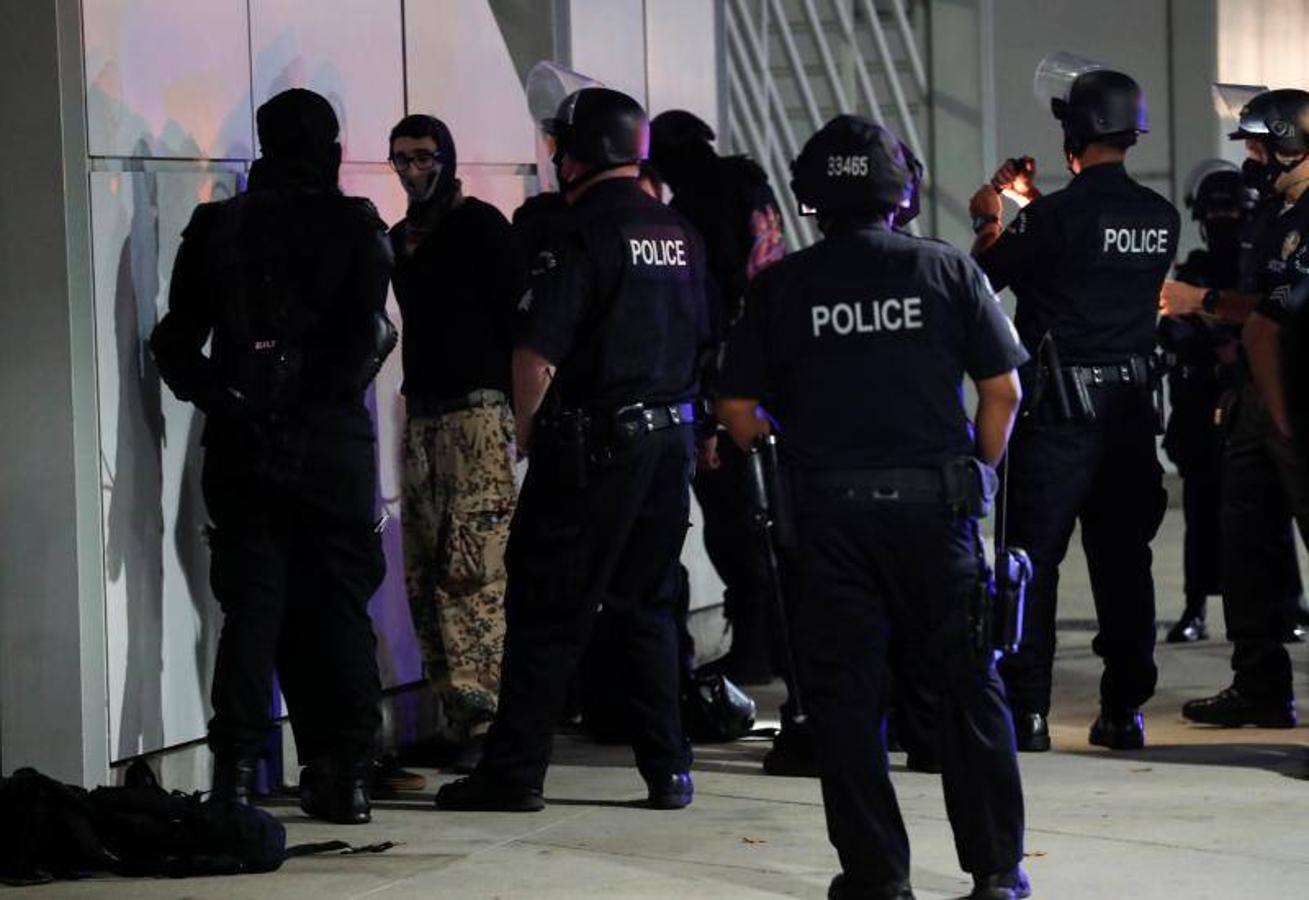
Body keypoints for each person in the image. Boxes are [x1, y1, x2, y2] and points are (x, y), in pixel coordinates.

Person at [718, 114, 1030, 900]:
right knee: (967, 688)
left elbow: (737, 410)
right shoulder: (947, 269)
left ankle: (877, 876)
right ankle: (996, 871)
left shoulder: (780, 286)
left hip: (828, 522)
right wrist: (975, 474)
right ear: (902, 194)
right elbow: (1002, 392)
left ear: (811, 197)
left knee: (846, 702)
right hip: (935, 515)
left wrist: (789, 453)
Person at [434, 87, 716, 812]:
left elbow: (535, 354)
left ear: (580, 152)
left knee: (546, 609)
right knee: (649, 605)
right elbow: (705, 336)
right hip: (669, 441)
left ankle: (513, 774)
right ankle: (669, 770)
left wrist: (527, 434)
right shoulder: (678, 231)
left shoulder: (578, 231)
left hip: (595, 446)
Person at [149, 88, 393, 823]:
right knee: (341, 609)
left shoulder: (219, 228)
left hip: (243, 440)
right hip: (332, 445)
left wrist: (230, 402)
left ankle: (233, 777)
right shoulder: (356, 227)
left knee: (251, 611)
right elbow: (366, 342)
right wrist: (309, 409)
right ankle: (347, 778)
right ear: (332, 150)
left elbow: (173, 343)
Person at [968, 57, 1178, 752]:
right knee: (1124, 562)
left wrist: (992, 218)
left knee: (1033, 561)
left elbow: (983, 282)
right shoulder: (1160, 217)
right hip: (1130, 414)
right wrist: (1033, 209)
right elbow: (1089, 260)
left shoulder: (1053, 218)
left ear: (1076, 133)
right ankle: (1124, 710)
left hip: (1057, 419)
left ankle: (1026, 711)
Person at [1161, 88, 1309, 728]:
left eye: (1259, 144)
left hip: (1296, 401)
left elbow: (1274, 313)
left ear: (1290, 143)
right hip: (1256, 399)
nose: (1250, 156)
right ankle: (1259, 686)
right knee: (1245, 545)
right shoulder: (1272, 215)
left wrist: (1202, 301)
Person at [387, 114, 525, 772]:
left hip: (476, 413)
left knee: (473, 570)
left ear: (446, 156)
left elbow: (515, 323)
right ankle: (457, 713)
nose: (413, 170)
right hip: (424, 417)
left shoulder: (482, 228)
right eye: (401, 159)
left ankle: (487, 720)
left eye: (423, 156)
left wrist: (519, 417)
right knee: (423, 569)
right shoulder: (400, 239)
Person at [1160, 161, 1258, 642]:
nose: (1223, 221)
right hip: (1201, 407)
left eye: (1230, 212)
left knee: (1266, 514)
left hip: (1253, 401)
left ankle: (1285, 604)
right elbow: (1171, 330)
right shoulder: (1193, 270)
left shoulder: (1259, 267)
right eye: (1215, 214)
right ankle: (1195, 607)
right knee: (1201, 512)